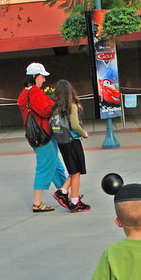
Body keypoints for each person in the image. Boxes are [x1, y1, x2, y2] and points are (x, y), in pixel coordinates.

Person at [18, 62, 68, 212]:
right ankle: (37, 203)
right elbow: (46, 111)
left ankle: (65, 193)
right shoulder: (35, 92)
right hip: (44, 136)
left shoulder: (23, 94)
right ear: (34, 77)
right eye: (42, 76)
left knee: (55, 165)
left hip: (35, 136)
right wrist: (58, 104)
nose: (44, 80)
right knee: (45, 168)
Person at [50, 79, 91, 212]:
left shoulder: (56, 108)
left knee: (74, 170)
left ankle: (63, 192)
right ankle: (74, 202)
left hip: (62, 142)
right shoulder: (71, 106)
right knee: (76, 171)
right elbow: (74, 125)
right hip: (72, 140)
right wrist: (83, 133)